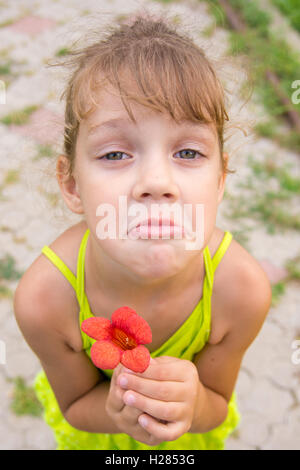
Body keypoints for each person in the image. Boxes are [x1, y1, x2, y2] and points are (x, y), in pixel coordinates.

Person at [13, 11, 272, 450]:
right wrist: (117, 412)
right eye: (115, 155)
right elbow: (75, 406)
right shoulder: (44, 301)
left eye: (188, 151)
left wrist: (193, 406)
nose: (156, 183)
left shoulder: (241, 292)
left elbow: (217, 406)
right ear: (72, 185)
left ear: (221, 181)